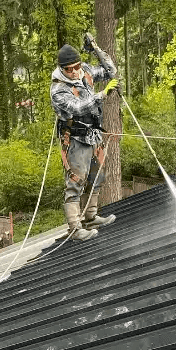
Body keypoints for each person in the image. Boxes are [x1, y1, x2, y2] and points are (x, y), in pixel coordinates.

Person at [50, 33, 119, 241]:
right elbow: (78, 108)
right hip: (75, 140)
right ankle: (74, 228)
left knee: (96, 177)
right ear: (62, 69)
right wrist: (103, 95)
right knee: (76, 181)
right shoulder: (58, 90)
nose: (74, 72)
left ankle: (90, 216)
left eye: (77, 66)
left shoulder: (85, 72)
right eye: (69, 69)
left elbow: (111, 71)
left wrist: (96, 49)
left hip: (94, 135)